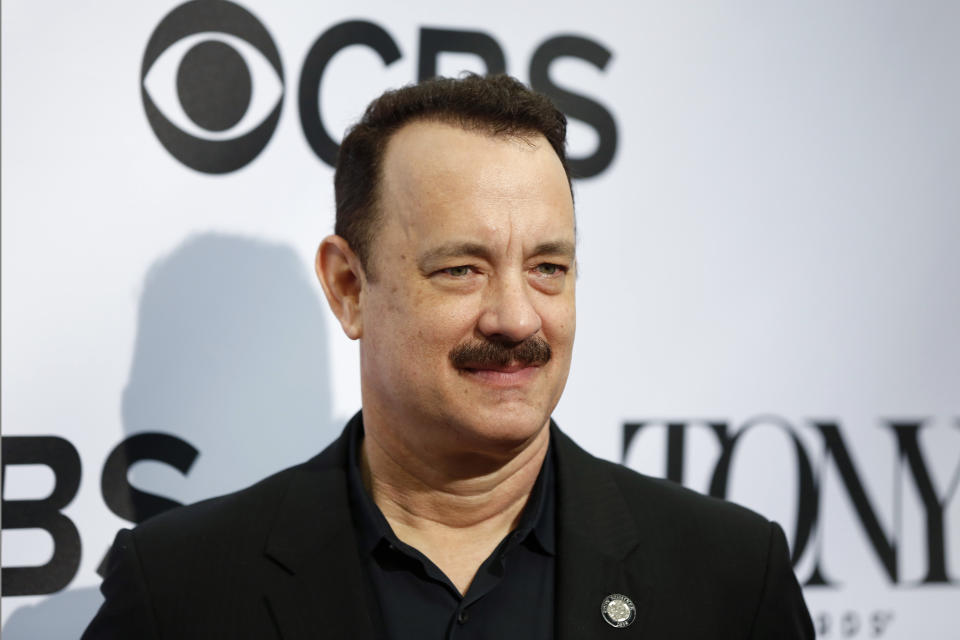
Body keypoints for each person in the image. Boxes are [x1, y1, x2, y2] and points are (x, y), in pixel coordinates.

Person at [83, 74, 814, 639]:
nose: (517, 316)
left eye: (547, 268)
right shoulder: (181, 591)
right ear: (348, 287)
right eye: (461, 268)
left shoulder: (729, 578)